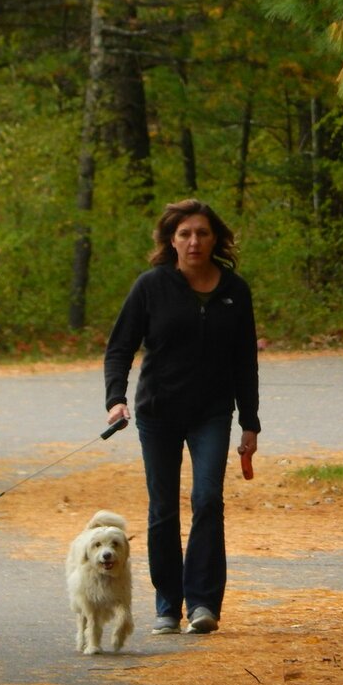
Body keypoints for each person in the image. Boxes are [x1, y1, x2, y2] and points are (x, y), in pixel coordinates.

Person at [103, 198, 260, 635]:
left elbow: (245, 359)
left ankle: (204, 604)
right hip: (159, 411)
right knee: (163, 509)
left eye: (202, 233)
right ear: (171, 240)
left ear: (215, 239)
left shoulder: (235, 290)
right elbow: (119, 348)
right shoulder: (151, 286)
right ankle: (169, 604)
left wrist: (250, 421)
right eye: (185, 234)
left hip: (212, 411)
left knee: (208, 499)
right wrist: (115, 399)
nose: (194, 241)